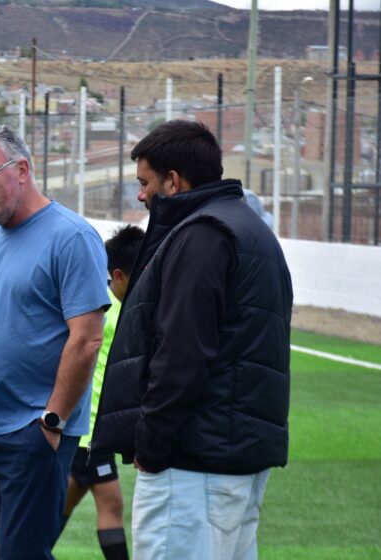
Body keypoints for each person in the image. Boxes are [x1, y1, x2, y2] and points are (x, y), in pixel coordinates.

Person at [91, 120, 293, 559]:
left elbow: (181, 353)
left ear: (174, 180)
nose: (141, 195)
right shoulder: (250, 230)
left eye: (145, 183)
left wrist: (152, 443)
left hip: (193, 466)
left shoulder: (201, 236)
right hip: (233, 459)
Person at [0, 124, 110, 560]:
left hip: (32, 435)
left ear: (22, 169)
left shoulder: (72, 237)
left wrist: (51, 423)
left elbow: (87, 339)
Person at [58, 225, 144, 560]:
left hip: (88, 427)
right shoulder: (114, 309)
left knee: (65, 501)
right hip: (92, 429)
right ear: (118, 275)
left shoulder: (104, 303)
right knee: (110, 504)